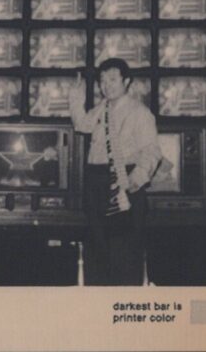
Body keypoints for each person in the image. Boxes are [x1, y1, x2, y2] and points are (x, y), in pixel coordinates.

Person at [69, 58, 162, 285]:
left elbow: (152, 152)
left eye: (112, 79)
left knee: (123, 252)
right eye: (102, 81)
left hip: (124, 182)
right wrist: (75, 100)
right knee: (97, 248)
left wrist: (134, 181)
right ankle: (99, 311)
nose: (106, 85)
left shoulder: (139, 112)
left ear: (126, 81)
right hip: (96, 183)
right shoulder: (102, 108)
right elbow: (82, 125)